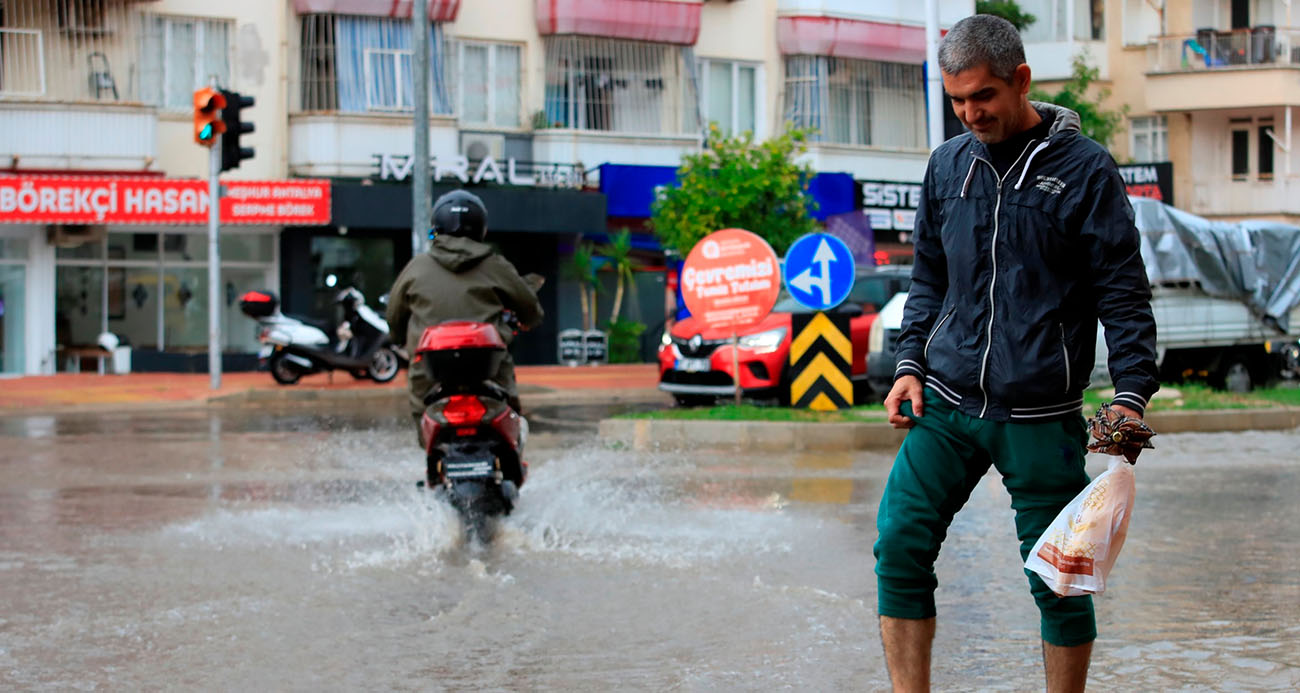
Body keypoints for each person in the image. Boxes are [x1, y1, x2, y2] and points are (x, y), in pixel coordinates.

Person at [873, 15, 1158, 693]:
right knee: (899, 546)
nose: (970, 113)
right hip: (947, 405)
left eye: (983, 96)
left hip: (1041, 414)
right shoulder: (947, 166)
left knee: (1059, 578)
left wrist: (1129, 398)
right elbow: (928, 280)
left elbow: (1123, 294)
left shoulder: (1085, 171)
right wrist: (909, 365)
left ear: (1020, 80)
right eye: (957, 100)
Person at [386, 189, 544, 441]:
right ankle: (511, 446)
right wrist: (529, 320)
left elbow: (394, 314)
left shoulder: (416, 267)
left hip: (430, 368)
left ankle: (431, 450)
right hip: (488, 366)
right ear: (481, 228)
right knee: (509, 411)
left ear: (436, 227)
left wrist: (397, 337)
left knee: (422, 415)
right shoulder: (495, 265)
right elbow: (530, 307)